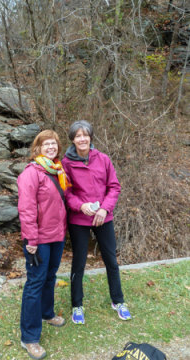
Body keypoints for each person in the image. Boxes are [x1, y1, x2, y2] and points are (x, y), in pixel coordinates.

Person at [62, 120, 132, 325]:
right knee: (79, 262)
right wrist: (79, 206)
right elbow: (66, 192)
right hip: (79, 219)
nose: (82, 139)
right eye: (78, 136)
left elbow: (114, 187)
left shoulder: (103, 159)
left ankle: (118, 301)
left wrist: (104, 208)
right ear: (73, 139)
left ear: (90, 137)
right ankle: (77, 305)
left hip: (104, 216)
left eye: (85, 135)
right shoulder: (65, 164)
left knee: (111, 260)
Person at [17, 130, 70, 360]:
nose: (51, 147)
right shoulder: (31, 173)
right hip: (38, 239)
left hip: (57, 235)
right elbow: (26, 208)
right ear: (37, 148)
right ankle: (29, 337)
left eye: (54, 144)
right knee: (35, 282)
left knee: (50, 277)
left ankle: (47, 313)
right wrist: (30, 240)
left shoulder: (57, 170)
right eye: (46, 144)